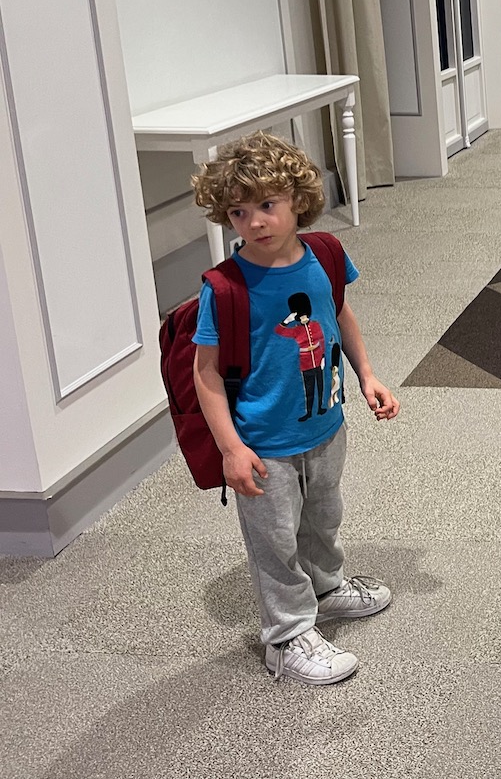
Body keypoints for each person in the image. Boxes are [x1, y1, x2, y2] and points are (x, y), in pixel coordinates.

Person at [191, 131, 400, 686]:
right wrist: (231, 450)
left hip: (326, 423)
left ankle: (326, 590)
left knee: (322, 517)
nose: (255, 221)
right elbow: (205, 373)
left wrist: (368, 376)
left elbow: (340, 315)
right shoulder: (227, 286)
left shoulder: (325, 256)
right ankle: (285, 637)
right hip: (264, 441)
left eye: (267, 204)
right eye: (238, 211)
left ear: (297, 199)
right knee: (274, 540)